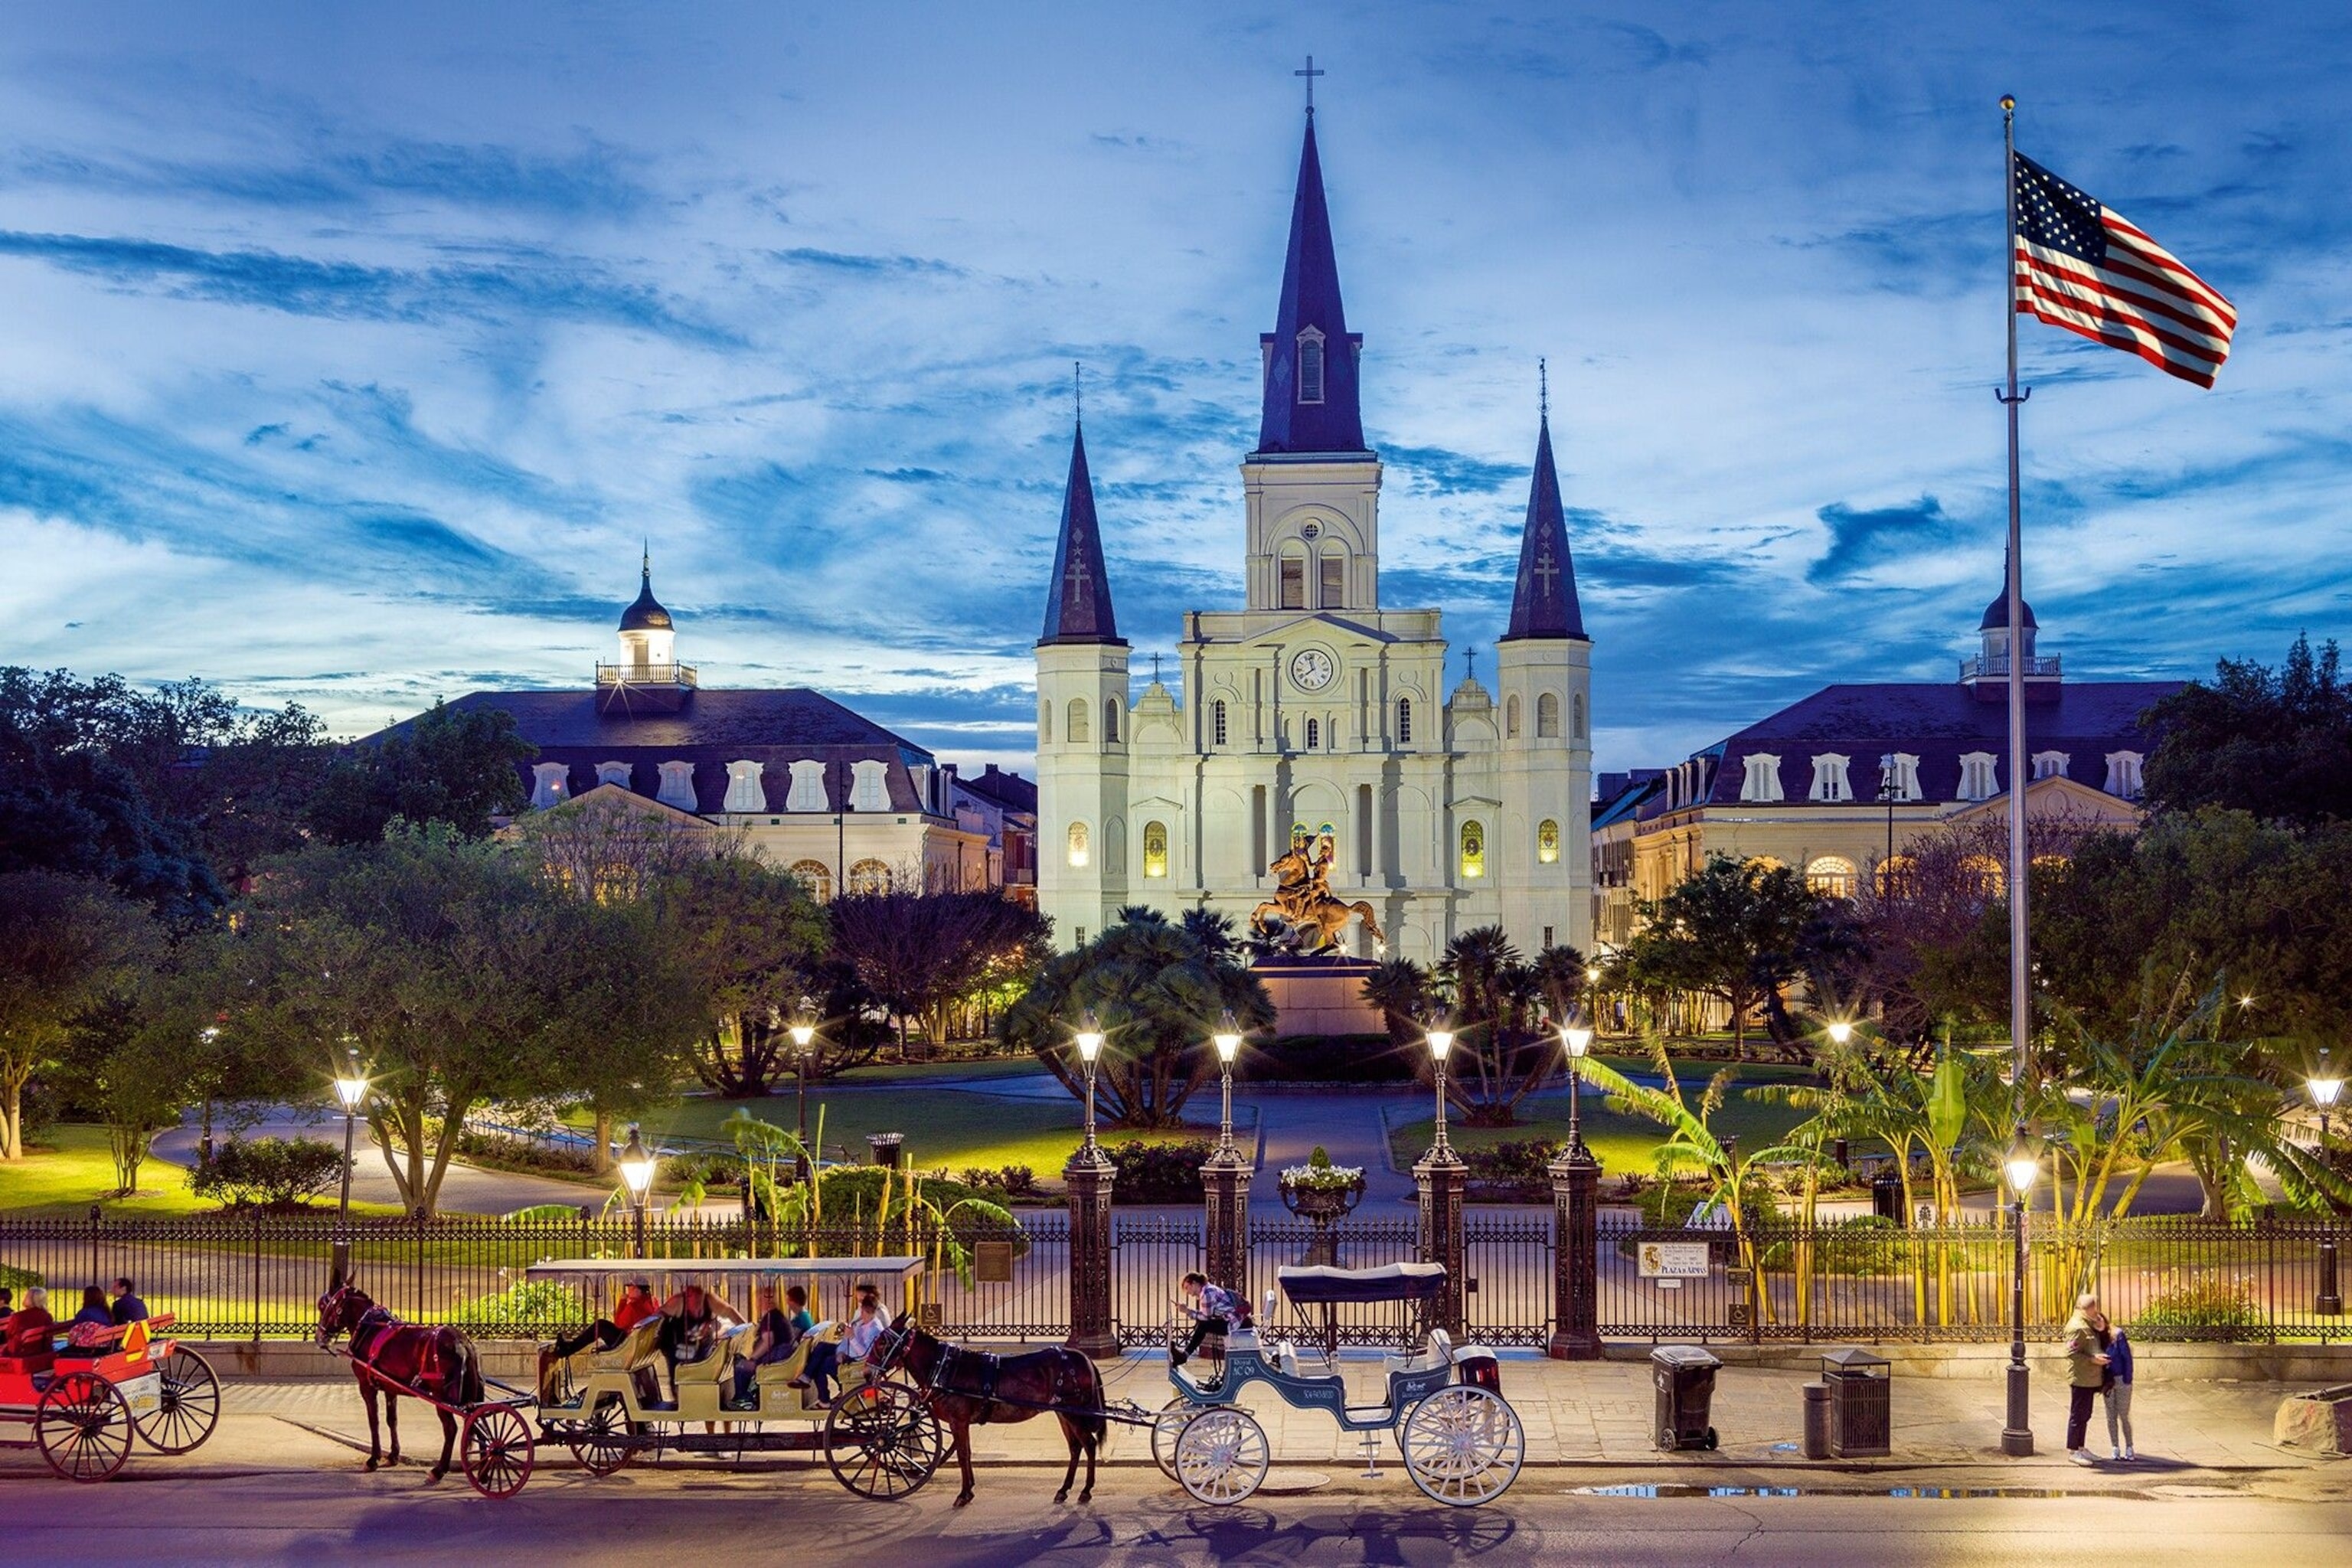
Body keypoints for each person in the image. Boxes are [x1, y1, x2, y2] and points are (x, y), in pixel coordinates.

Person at [541, 1276, 662, 1398]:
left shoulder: (634, 1305)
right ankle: (569, 1347)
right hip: (635, 1343)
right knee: (601, 1326)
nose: (629, 1290)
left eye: (631, 1288)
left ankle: (568, 1349)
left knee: (601, 1325)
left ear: (637, 1290)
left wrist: (622, 1302)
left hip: (625, 1342)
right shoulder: (651, 1303)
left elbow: (619, 1323)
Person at [804, 1282, 882, 1404]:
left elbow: (866, 1354)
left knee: (819, 1365)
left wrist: (851, 1338)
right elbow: (847, 1339)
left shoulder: (874, 1329)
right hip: (848, 1353)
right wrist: (841, 1351)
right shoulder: (863, 1323)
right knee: (821, 1347)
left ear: (865, 1311)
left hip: (857, 1362)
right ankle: (806, 1376)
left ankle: (824, 1400)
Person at [730, 1285, 807, 1406]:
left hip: (779, 1357)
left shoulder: (770, 1317)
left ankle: (743, 1399)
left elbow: (768, 1342)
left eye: (759, 1299)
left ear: (766, 1300)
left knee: (741, 1365)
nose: (757, 1303)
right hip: (785, 1356)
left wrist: (752, 1358)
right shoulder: (777, 1316)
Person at [1171, 1271, 1247, 1393]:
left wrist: (1187, 1311)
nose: (1188, 1293)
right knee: (1202, 1325)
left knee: (1203, 1326)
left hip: (1232, 1323)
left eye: (1187, 1288)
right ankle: (1184, 1355)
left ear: (1195, 1283)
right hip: (1232, 1321)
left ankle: (1184, 1355)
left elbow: (1205, 1317)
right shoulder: (1208, 1290)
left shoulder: (1206, 1293)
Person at [2062, 1292, 2111, 1465]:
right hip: (2081, 1378)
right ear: (2089, 1308)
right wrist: (2093, 1360)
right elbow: (2071, 1353)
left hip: (2089, 1378)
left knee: (2085, 1414)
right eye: (2095, 1307)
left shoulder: (2087, 1323)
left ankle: (2081, 1447)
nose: (2097, 1311)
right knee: (2078, 1415)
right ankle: (2074, 1451)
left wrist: (2100, 1326)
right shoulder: (2077, 1327)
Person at [2101, 1310, 2137, 1462]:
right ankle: (2115, 1446)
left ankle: (2129, 1446)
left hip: (2121, 1379)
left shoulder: (2117, 1335)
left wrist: (2128, 1379)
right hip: (2107, 1382)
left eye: (2099, 1322)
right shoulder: (2097, 1339)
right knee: (2111, 1416)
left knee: (2123, 1414)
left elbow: (2127, 1358)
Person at [60, 1285, 116, 1359]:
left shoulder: (84, 1313)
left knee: (61, 1352)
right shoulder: (108, 1313)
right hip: (105, 1347)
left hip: (86, 1348)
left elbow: (74, 1332)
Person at [2, 1286, 53, 1357]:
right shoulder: (47, 1316)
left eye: (27, 1295)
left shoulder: (18, 1317)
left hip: (18, 1352)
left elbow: (9, 1334)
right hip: (40, 1350)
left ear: (31, 1299)